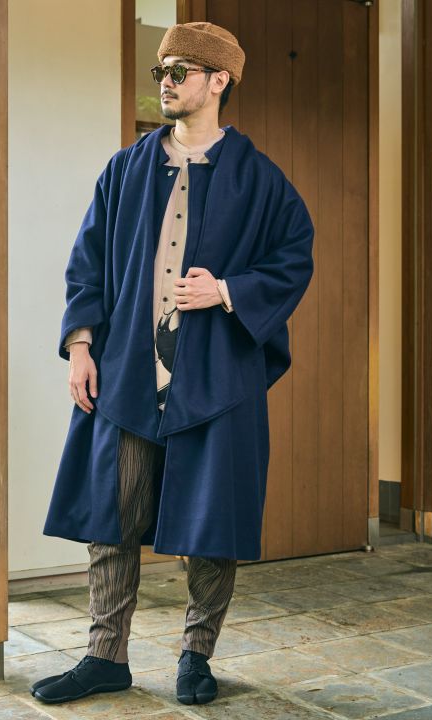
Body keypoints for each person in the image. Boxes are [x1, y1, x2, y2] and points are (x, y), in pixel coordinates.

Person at [32, 21, 314, 707]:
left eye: (181, 70)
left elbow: (293, 257)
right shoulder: (125, 170)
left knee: (212, 525)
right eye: (162, 70)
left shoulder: (260, 180)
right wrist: (80, 345)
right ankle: (105, 656)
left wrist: (227, 291)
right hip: (128, 373)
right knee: (111, 515)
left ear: (219, 81)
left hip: (215, 379)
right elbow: (87, 262)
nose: (166, 81)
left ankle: (196, 656)